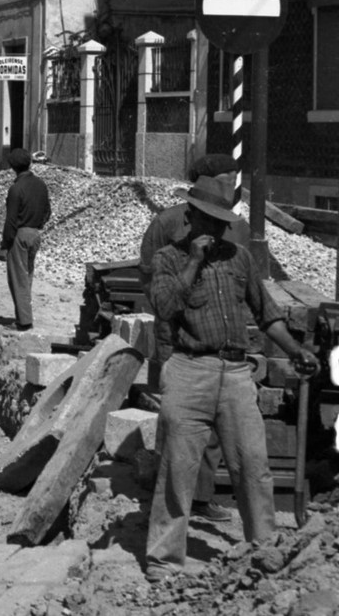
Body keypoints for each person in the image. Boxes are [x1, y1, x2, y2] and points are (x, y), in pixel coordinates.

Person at [145, 175, 319, 582]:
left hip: (237, 372)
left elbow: (268, 313)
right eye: (210, 222)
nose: (217, 231)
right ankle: (163, 561)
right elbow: (166, 308)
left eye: (223, 224)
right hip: (190, 370)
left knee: (253, 466)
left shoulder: (240, 259)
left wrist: (296, 352)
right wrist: (193, 262)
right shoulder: (168, 259)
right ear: (191, 218)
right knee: (178, 468)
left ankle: (265, 551)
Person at [138, 153, 249, 524]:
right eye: (222, 178)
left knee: (212, 428)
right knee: (174, 416)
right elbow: (149, 278)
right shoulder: (166, 223)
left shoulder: (234, 226)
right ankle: (166, 493)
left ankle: (200, 497)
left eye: (232, 179)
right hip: (175, 337)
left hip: (213, 340)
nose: (229, 185)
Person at [0, 148, 50, 331]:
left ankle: (24, 321)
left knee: (18, 279)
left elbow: (11, 221)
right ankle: (24, 315)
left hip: (20, 235)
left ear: (12, 167)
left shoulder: (15, 189)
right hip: (35, 234)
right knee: (27, 277)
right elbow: (47, 212)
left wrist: (5, 244)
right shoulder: (41, 185)